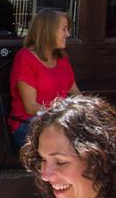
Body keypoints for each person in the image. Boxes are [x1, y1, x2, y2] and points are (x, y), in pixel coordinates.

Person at [9, 9, 79, 148]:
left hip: (60, 121)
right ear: (48, 30)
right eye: (64, 29)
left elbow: (76, 93)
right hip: (30, 125)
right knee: (72, 142)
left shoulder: (61, 58)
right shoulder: (25, 58)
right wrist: (63, 113)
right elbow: (31, 107)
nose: (68, 34)